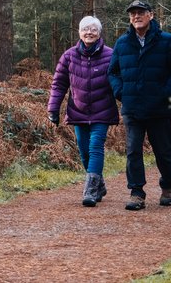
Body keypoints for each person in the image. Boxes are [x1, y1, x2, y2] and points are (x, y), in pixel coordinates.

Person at [108, 0, 171, 211]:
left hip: (159, 108)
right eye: (133, 13)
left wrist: (165, 93)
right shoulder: (122, 43)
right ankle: (137, 193)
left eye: (141, 12)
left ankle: (168, 186)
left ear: (151, 15)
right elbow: (113, 72)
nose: (136, 16)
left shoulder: (167, 41)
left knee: (163, 151)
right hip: (132, 107)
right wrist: (120, 92)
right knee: (133, 150)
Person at [48, 16, 119, 207]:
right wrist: (53, 108)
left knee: (95, 147)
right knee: (83, 150)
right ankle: (99, 184)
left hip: (102, 112)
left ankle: (89, 191)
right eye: (85, 29)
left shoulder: (111, 55)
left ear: (99, 33)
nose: (89, 32)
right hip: (78, 112)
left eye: (93, 29)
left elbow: (120, 83)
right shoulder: (69, 56)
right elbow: (58, 84)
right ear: (79, 32)